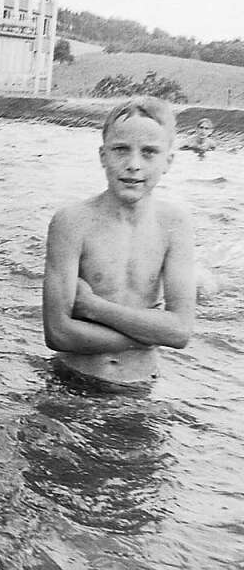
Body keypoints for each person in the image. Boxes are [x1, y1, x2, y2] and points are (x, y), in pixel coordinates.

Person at [42, 96, 195, 389]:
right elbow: (57, 333)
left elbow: (180, 332)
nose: (133, 165)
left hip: (140, 387)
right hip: (71, 383)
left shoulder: (174, 225)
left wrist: (93, 307)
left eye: (149, 152)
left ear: (169, 161)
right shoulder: (71, 222)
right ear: (102, 156)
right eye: (121, 150)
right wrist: (149, 337)